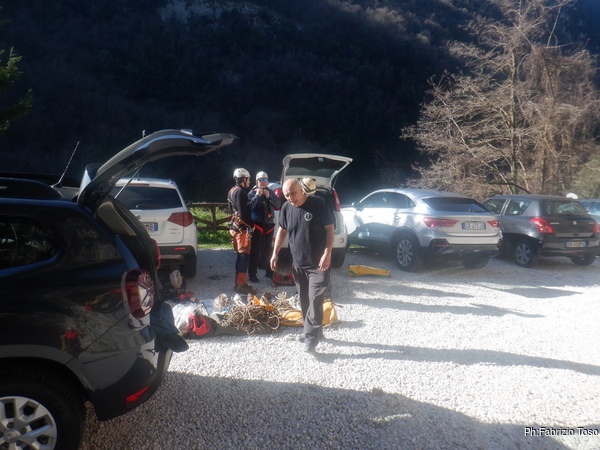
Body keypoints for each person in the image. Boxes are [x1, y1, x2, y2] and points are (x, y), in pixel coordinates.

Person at [270, 179, 334, 353]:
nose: (290, 197)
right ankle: (312, 330)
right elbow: (282, 230)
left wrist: (327, 253)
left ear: (301, 190)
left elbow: (330, 229)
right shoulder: (286, 208)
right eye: (286, 195)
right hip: (298, 263)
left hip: (318, 264)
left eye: (293, 193)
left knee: (315, 298)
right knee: (304, 299)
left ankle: (311, 338)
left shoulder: (318, 204)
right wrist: (275, 253)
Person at [248, 171, 281, 283]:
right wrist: (257, 196)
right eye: (260, 180)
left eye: (265, 180)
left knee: (268, 250)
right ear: (256, 181)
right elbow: (249, 208)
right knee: (255, 250)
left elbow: (278, 204)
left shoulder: (270, 192)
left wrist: (269, 196)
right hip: (257, 224)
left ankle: (269, 272)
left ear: (267, 181)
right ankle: (252, 274)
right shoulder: (252, 192)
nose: (263, 182)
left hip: (269, 224)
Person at [227, 168, 256, 295]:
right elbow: (243, 214)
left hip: (235, 227)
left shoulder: (231, 191)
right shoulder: (241, 192)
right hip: (242, 229)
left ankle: (237, 284)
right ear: (244, 179)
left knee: (240, 256)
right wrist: (252, 225)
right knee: (244, 257)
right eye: (248, 179)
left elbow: (231, 210)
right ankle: (242, 285)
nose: (249, 181)